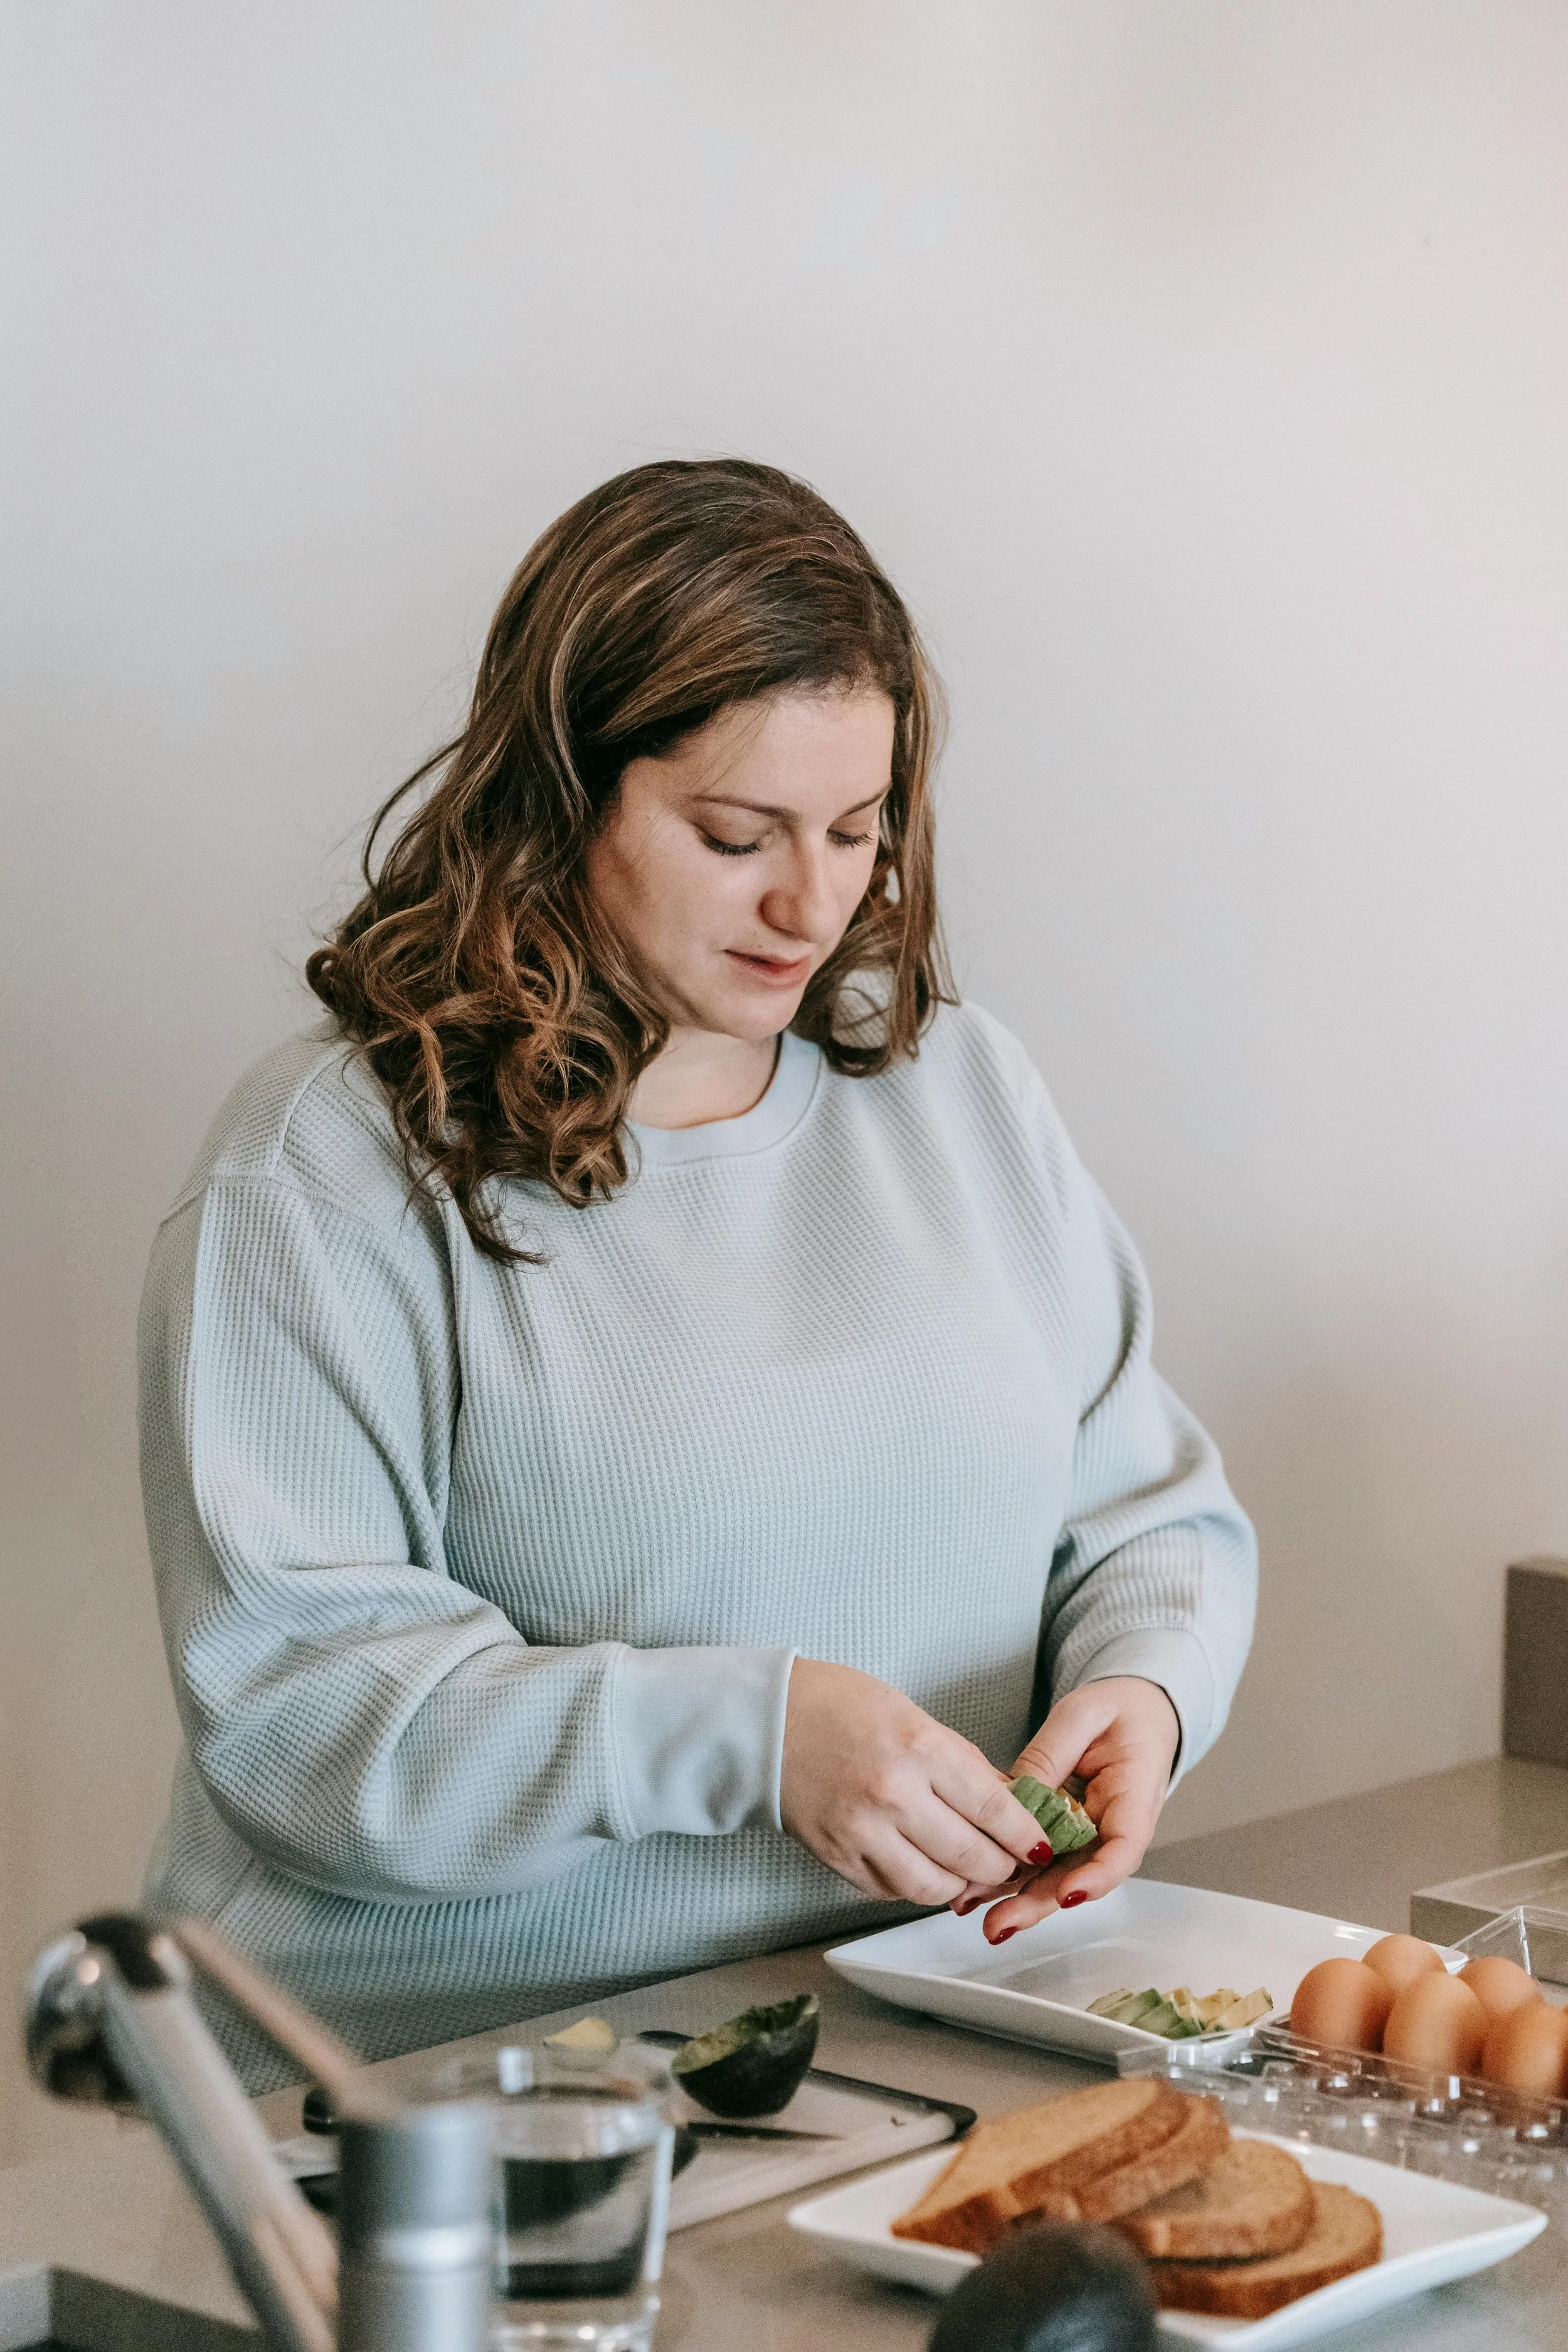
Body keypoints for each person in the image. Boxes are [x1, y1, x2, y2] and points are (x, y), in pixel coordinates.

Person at [138, 458, 1256, 2085]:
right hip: (421, 2089)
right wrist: (752, 1738)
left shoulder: (958, 1092)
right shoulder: (326, 1166)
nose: (813, 901)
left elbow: (1145, 1503)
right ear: (563, 794)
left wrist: (1140, 1686)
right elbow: (304, 1716)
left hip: (896, 2026)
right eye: (736, 835)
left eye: (857, 831)